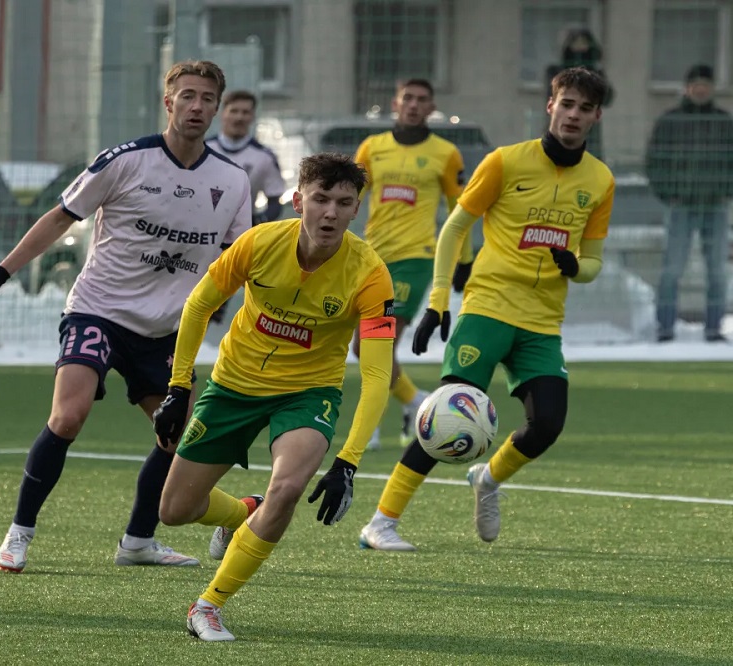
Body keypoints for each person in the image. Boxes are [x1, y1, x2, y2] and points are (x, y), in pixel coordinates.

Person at [0, 60, 252, 573]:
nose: (197, 106)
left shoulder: (231, 181)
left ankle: (137, 542)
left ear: (218, 107)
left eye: (207, 98)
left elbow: (234, 264)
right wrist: (0, 275)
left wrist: (230, 321)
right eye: (187, 96)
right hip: (99, 311)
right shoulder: (126, 160)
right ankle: (19, 534)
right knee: (68, 416)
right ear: (169, 102)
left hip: (167, 331)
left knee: (176, 438)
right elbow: (58, 217)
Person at [359, 67, 614, 552]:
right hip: (488, 308)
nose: (574, 115)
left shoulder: (600, 181)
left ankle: (489, 479)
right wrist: (438, 302)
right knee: (446, 418)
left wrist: (574, 265)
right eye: (567, 104)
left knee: (547, 426)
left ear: (596, 116)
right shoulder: (505, 162)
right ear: (550, 106)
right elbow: (455, 228)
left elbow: (594, 262)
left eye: (584, 108)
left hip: (542, 323)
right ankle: (381, 523)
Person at [153, 152, 395, 641]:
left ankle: (208, 605)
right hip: (232, 385)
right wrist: (180, 385)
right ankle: (245, 511)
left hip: (307, 394)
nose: (329, 212)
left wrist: (347, 461)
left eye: (343, 203)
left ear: (356, 210)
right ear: (298, 199)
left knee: (286, 490)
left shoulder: (371, 275)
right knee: (174, 511)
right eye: (321, 199)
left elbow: (376, 374)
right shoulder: (258, 243)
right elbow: (199, 304)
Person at [352, 78, 468, 451]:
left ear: (431, 107)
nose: (414, 105)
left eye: (421, 100)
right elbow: (350, 196)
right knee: (364, 346)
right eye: (408, 98)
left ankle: (369, 423)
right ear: (395, 103)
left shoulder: (445, 153)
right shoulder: (372, 148)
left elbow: (459, 211)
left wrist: (464, 261)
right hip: (372, 260)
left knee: (374, 343)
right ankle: (416, 402)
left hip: (415, 260)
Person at [646, 64, 733, 343]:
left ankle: (713, 327)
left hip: (715, 205)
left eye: (705, 83)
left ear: (712, 88)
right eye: (695, 83)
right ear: (687, 87)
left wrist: (726, 192)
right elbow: (654, 161)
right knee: (672, 268)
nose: (701, 88)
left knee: (717, 270)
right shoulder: (670, 122)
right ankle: (666, 326)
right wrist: (668, 193)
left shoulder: (724, 122)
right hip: (680, 204)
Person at [205, 90, 286, 226]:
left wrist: (257, 223)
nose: (239, 118)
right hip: (201, 229)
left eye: (245, 112)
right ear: (221, 113)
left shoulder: (264, 157)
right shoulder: (203, 149)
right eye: (234, 111)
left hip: (242, 235)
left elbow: (274, 201)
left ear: (253, 116)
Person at [544, 27, 613, 160]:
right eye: (576, 42)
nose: (580, 47)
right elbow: (552, 92)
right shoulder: (557, 70)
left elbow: (607, 97)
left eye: (583, 42)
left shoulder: (596, 72)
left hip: (589, 130)